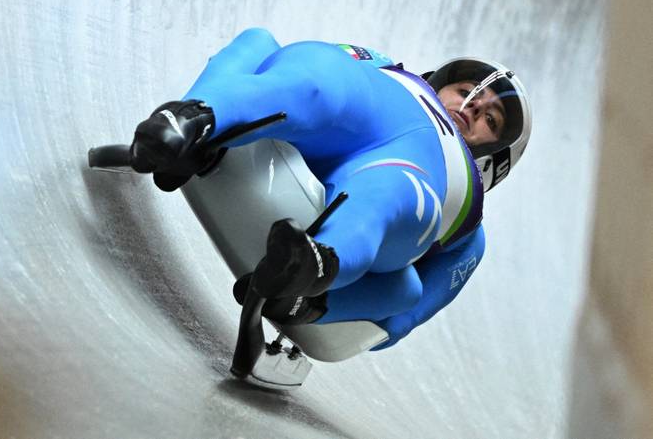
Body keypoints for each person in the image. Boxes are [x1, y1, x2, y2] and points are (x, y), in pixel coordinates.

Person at [129, 28, 531, 349]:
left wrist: (331, 310)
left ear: (494, 158)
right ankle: (193, 120)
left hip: (407, 177)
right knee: (306, 73)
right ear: (439, 84)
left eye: (491, 120)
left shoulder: (468, 226)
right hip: (363, 112)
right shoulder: (388, 69)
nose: (474, 106)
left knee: (400, 241)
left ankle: (313, 269)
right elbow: (297, 60)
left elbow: (400, 319)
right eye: (466, 92)